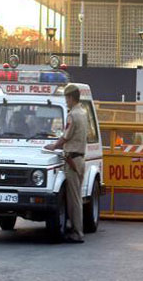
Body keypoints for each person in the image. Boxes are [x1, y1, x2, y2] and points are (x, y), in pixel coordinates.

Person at [44, 84, 87, 243]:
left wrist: (53, 146)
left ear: (70, 98)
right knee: (77, 197)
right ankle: (77, 229)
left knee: (73, 199)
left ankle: (77, 232)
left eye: (66, 98)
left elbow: (65, 137)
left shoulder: (73, 116)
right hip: (80, 159)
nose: (66, 101)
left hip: (72, 160)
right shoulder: (83, 113)